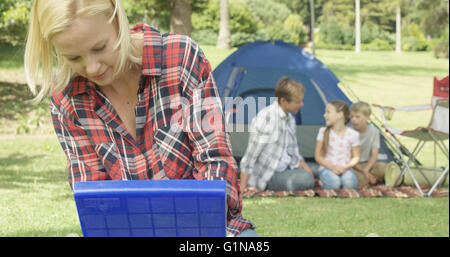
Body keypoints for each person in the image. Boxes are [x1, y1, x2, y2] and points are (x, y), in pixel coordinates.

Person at [24, 0, 254, 237]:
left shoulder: (180, 57)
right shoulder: (67, 99)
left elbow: (215, 162)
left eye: (99, 47)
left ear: (117, 21)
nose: (92, 68)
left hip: (207, 229)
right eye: (73, 58)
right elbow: (93, 195)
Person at [240, 77, 315, 193]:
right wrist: (243, 187)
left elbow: (293, 150)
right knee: (305, 178)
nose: (302, 105)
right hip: (270, 175)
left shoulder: (290, 119)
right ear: (284, 101)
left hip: (288, 166)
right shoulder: (267, 118)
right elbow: (250, 155)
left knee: (318, 170)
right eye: (298, 102)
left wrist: (304, 164)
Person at [314, 101, 360, 190]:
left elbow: (356, 157)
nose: (324, 115)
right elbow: (318, 156)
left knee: (349, 184)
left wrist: (345, 167)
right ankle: (323, 182)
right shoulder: (323, 131)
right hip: (327, 168)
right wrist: (332, 167)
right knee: (334, 183)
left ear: (340, 115)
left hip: (345, 169)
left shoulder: (353, 134)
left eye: (328, 112)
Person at [350, 102, 387, 188]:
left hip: (367, 164)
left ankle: (369, 179)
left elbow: (374, 155)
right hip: (354, 167)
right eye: (352, 117)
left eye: (357, 117)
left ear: (367, 117)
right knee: (359, 180)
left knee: (384, 168)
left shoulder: (373, 131)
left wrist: (366, 169)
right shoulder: (348, 133)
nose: (354, 120)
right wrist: (364, 172)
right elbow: (350, 159)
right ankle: (370, 179)